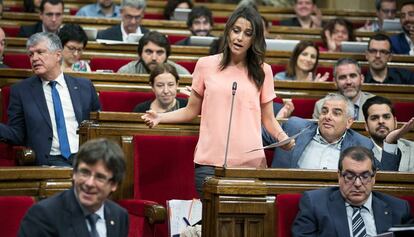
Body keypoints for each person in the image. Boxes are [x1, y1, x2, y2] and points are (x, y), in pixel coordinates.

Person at [142, 6, 295, 195]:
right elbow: (190, 111)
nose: (239, 38)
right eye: (236, 30)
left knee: (247, 224)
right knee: (211, 223)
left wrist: (282, 138)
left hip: (250, 164)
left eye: (247, 33)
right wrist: (160, 117)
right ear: (228, 31)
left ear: (254, 39)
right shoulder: (205, 65)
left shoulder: (264, 71)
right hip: (209, 162)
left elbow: (269, 119)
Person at [0, 32, 101, 166]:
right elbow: (17, 134)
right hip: (49, 160)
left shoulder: (84, 86)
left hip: (84, 158)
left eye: (40, 52)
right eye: (31, 54)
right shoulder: (21, 91)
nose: (34, 58)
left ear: (58, 55)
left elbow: (99, 125)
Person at [292, 146, 412, 237]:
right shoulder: (315, 204)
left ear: (374, 177)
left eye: (365, 176)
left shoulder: (399, 208)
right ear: (339, 176)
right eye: (350, 176)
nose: (358, 184)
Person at [18, 138, 129, 237]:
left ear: (114, 184)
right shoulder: (43, 215)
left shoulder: (119, 216)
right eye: (84, 173)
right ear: (74, 173)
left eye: (100, 177)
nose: (89, 183)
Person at [264, 93, 400, 169]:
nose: (327, 116)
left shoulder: (361, 144)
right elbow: (257, 137)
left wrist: (390, 142)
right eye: (324, 111)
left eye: (336, 113)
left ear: (349, 122)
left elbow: (385, 177)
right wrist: (275, 123)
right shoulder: (295, 127)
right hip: (289, 197)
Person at [362, 96, 414, 172]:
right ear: (366, 126)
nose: (381, 121)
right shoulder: (358, 150)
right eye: (374, 118)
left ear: (395, 122)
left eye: (386, 117)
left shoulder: (412, 148)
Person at [118, 31, 190, 75]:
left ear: (167, 55)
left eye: (159, 53)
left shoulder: (181, 73)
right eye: (149, 52)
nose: (154, 58)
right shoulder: (126, 72)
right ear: (140, 54)